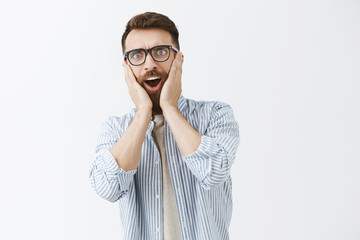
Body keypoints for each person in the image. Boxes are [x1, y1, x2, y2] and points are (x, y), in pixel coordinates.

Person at [89, 12, 240, 240]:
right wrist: (142, 113)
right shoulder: (115, 129)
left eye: (160, 52)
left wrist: (169, 107)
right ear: (127, 67)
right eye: (137, 55)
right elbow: (107, 188)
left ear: (177, 59)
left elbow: (214, 172)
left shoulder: (215, 115)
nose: (150, 64)